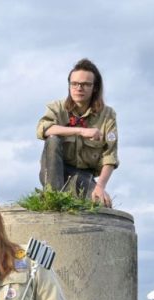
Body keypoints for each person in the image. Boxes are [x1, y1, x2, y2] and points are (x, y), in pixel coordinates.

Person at [37, 58, 118, 207]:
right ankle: (53, 198)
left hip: (82, 176)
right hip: (55, 172)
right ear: (69, 86)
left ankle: (75, 196)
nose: (79, 88)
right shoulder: (57, 107)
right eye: (74, 84)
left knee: (102, 203)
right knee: (53, 138)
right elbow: (44, 128)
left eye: (85, 84)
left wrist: (100, 187)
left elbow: (110, 157)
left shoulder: (108, 115)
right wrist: (80, 131)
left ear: (94, 87)